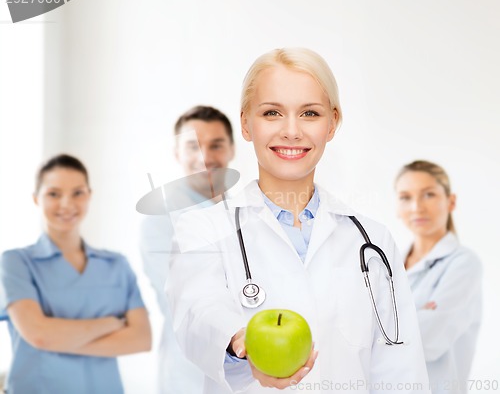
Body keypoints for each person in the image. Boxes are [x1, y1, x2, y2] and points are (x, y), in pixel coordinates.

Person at [166, 48, 430, 393]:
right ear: (246, 123)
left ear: (332, 123)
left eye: (309, 113)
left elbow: (401, 371)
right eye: (272, 112)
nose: (291, 131)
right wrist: (241, 342)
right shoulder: (203, 231)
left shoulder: (373, 241)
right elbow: (198, 312)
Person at [0, 154, 151, 394]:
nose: (67, 204)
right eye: (54, 193)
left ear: (89, 195)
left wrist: (56, 339)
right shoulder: (16, 262)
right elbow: (39, 335)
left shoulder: (116, 265)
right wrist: (111, 324)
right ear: (35, 199)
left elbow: (141, 339)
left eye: (77, 193)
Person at [139, 105, 235, 393]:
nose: (204, 157)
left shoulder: (247, 213)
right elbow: (185, 299)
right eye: (193, 146)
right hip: (189, 376)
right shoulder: (160, 218)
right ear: (177, 153)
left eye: (215, 145)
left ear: (231, 150)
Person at [395, 160, 482, 394]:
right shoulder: (387, 266)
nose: (416, 207)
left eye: (429, 195)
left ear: (450, 201)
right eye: (405, 197)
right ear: (397, 207)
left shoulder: (464, 264)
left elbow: (428, 339)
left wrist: (374, 321)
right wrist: (416, 316)